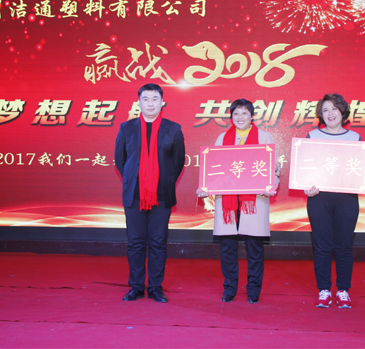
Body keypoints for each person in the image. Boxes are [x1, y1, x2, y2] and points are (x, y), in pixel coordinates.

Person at [197, 99, 279, 304]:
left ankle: (253, 290)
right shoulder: (222, 138)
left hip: (255, 199)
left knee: (254, 246)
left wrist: (271, 184)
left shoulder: (264, 137)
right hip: (228, 200)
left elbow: (274, 167)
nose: (240, 117)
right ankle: (230, 288)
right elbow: (214, 167)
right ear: (231, 117)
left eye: (244, 113)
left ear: (252, 116)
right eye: (236, 114)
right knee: (227, 247)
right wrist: (205, 186)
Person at [304, 93, 365, 309]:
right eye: (325, 110)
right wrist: (306, 186)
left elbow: (361, 169)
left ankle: (343, 290)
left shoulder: (354, 137)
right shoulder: (312, 136)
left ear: (343, 112)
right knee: (322, 246)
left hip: (346, 199)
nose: (330, 113)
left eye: (334, 109)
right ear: (321, 114)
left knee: (344, 246)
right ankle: (324, 290)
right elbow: (306, 168)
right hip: (319, 198)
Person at [114, 83, 185, 303]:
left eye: (155, 99)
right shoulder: (127, 128)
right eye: (145, 99)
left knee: (158, 243)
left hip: (161, 195)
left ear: (162, 102)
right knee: (135, 243)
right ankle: (136, 286)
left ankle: (155, 287)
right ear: (139, 102)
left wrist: (161, 181)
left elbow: (178, 162)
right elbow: (120, 159)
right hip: (134, 195)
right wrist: (136, 179)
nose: (150, 103)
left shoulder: (173, 129)